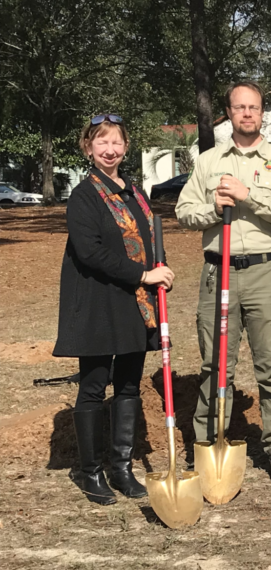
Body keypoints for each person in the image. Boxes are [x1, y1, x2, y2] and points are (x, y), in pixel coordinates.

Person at [176, 81, 271, 483]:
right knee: (215, 366)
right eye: (239, 107)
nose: (247, 113)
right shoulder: (209, 161)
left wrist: (249, 197)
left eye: (253, 107)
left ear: (262, 112)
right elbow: (184, 211)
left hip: (267, 272)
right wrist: (215, 207)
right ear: (228, 113)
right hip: (219, 271)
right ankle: (208, 444)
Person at [54, 115, 176, 505]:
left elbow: (147, 238)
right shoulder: (84, 195)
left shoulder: (135, 192)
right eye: (101, 142)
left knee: (127, 383)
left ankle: (121, 468)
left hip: (133, 304)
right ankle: (90, 472)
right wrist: (144, 274)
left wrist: (160, 270)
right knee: (93, 386)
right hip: (97, 302)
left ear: (126, 147)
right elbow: (91, 252)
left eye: (117, 142)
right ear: (88, 147)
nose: (110, 149)